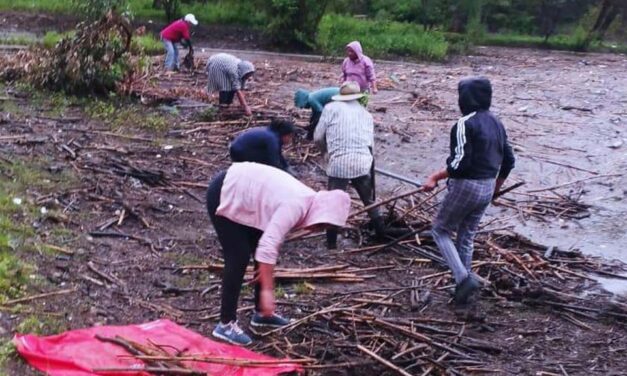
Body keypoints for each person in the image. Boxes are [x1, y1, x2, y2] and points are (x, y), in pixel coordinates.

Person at [206, 162, 351, 345]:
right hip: (225, 190)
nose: (316, 229)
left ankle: (261, 315)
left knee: (260, 249)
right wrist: (268, 292)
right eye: (321, 224)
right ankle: (225, 324)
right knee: (238, 256)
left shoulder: (308, 200)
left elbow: (266, 249)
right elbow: (268, 247)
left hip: (247, 198)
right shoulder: (296, 205)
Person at [422, 77, 515, 306]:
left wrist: (435, 177)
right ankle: (463, 291)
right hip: (486, 186)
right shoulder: (497, 123)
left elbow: (459, 164)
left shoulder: (464, 123)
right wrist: (495, 190)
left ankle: (463, 279)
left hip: (467, 185)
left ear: (465, 98)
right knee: (466, 236)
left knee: (440, 230)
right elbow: (509, 161)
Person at [314, 81, 387, 249]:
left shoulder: (330, 108)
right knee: (370, 200)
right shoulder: (366, 114)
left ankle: (331, 244)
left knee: (333, 203)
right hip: (363, 162)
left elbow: (318, 137)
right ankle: (382, 233)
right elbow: (371, 145)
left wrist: (325, 153)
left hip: (339, 164)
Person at [229, 119, 296, 174]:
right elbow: (274, 162)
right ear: (284, 134)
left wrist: (286, 166)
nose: (290, 140)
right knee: (267, 161)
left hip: (237, 150)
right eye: (289, 136)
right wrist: (284, 173)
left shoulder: (272, 134)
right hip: (239, 153)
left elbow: (279, 154)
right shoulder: (272, 139)